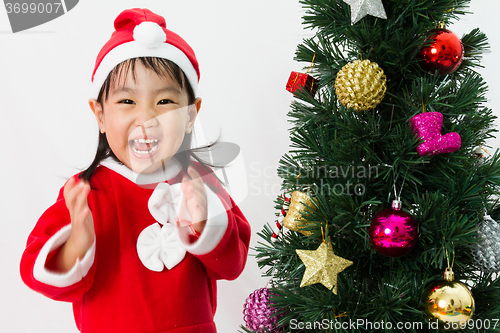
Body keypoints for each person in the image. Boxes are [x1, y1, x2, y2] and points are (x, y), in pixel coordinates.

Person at [20, 8, 251, 333]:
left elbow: (233, 263)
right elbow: (37, 272)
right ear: (99, 115)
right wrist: (78, 242)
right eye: (127, 102)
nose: (146, 119)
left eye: (165, 102)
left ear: (190, 115)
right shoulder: (85, 192)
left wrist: (204, 222)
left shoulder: (197, 182)